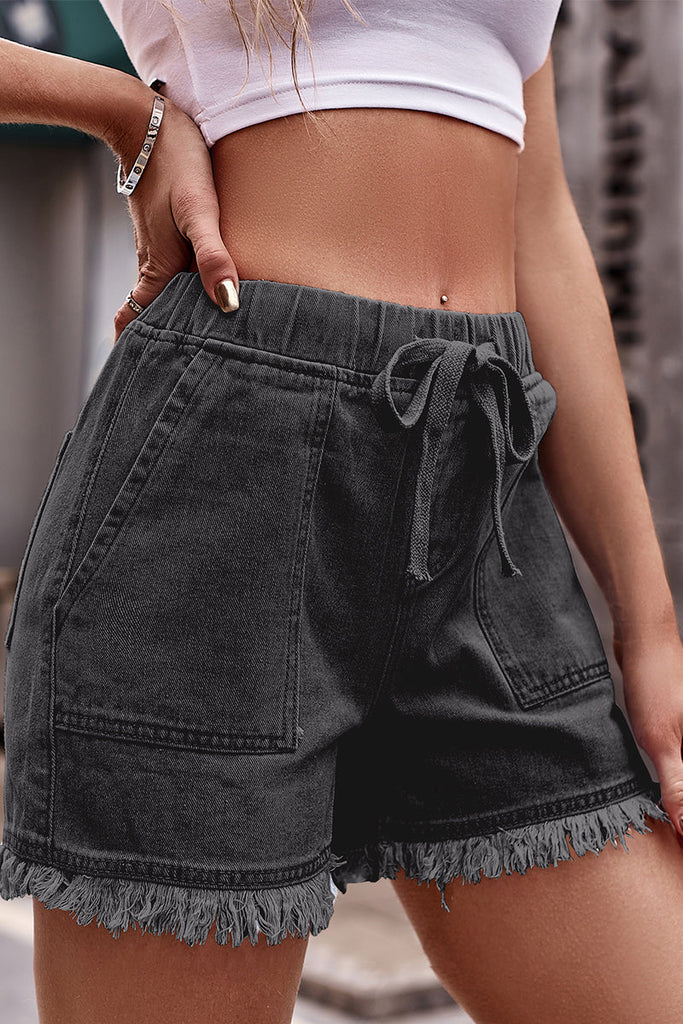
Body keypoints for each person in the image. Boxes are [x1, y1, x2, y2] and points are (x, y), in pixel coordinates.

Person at [2, 1, 683, 1021]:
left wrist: (650, 627)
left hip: (484, 499)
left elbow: (537, 223)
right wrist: (121, 110)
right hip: (221, 492)